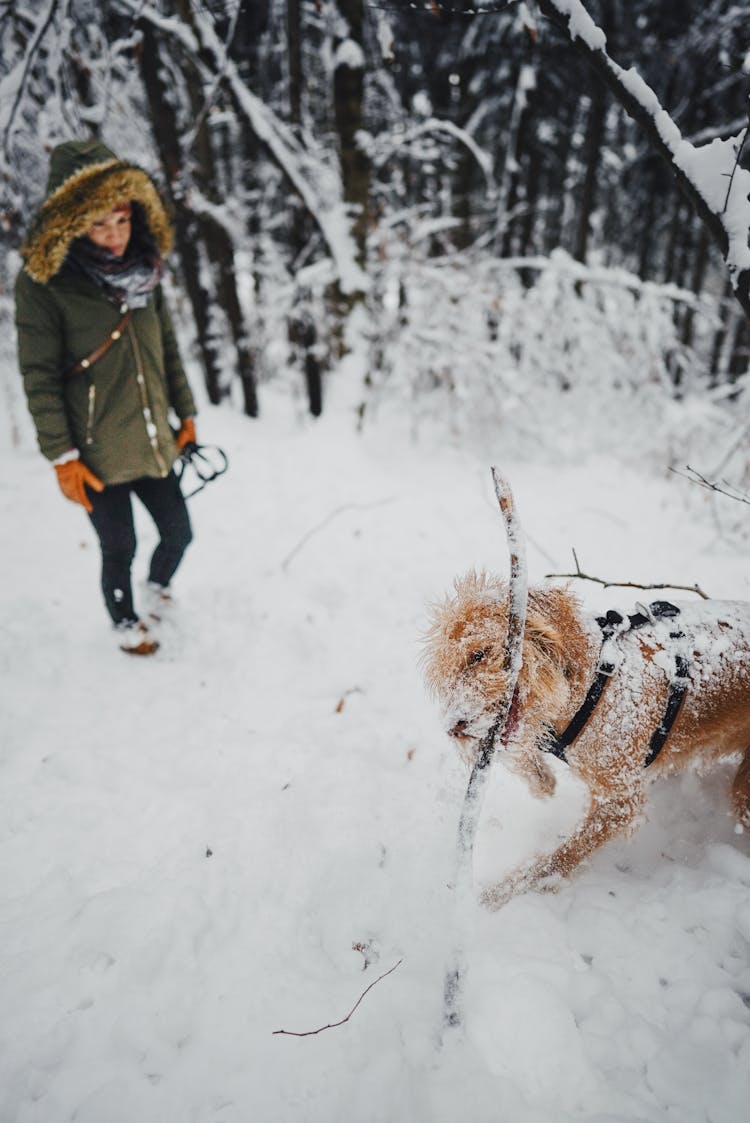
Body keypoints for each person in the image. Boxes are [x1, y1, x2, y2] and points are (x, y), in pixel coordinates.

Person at [15, 139, 198, 656]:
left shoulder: (147, 270)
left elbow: (166, 347)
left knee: (179, 534)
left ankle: (157, 587)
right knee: (119, 546)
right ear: (71, 226)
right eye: (98, 224)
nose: (114, 236)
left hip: (150, 437)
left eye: (121, 220)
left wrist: (186, 413)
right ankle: (125, 623)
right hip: (93, 451)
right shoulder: (44, 286)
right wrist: (63, 457)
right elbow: (39, 375)